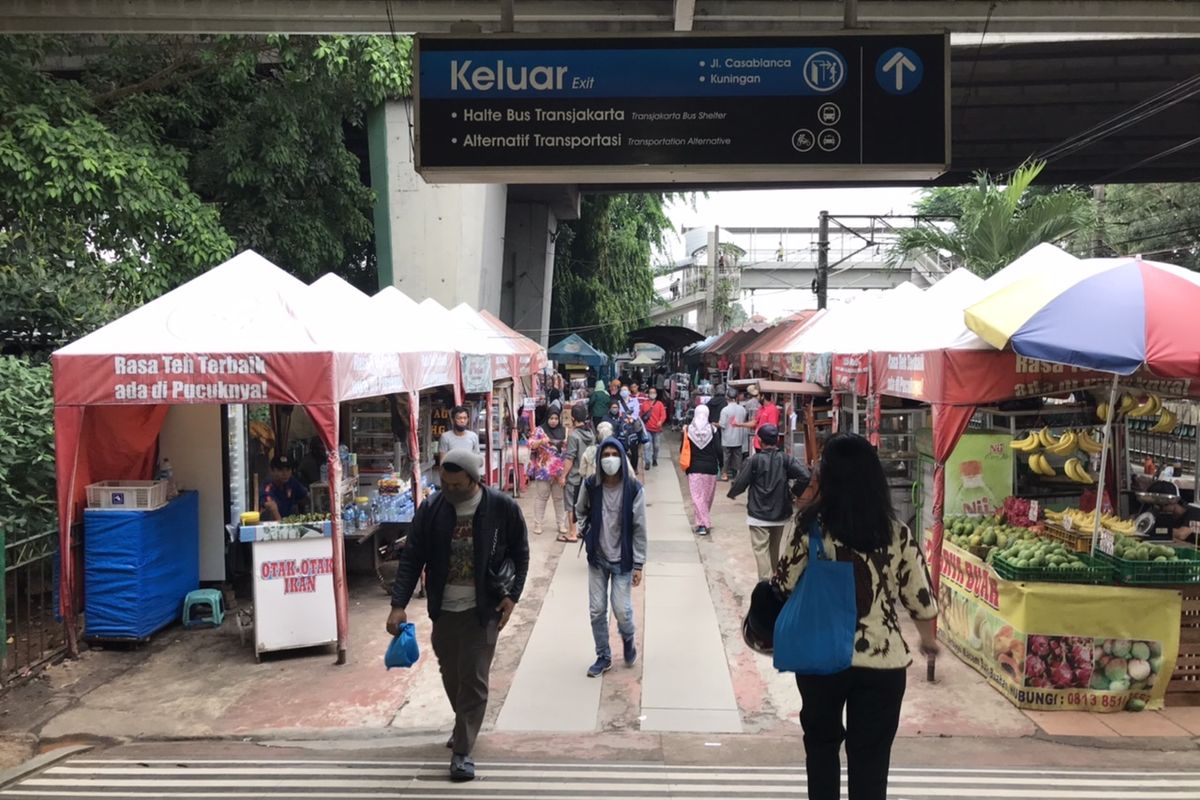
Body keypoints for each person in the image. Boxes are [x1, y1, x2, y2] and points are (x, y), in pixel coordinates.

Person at [774, 433, 938, 800]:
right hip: (882, 662)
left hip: (821, 658)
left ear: (827, 479)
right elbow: (921, 598)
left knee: (820, 747)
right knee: (871, 760)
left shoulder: (808, 527)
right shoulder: (897, 534)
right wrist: (927, 640)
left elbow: (783, 584)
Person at [387, 449, 530, 783]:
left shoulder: (501, 508)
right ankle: (464, 722)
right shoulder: (432, 510)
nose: (448, 489)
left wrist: (512, 597)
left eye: (455, 484)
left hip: (484, 609)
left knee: (475, 678)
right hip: (444, 610)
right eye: (444, 483)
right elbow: (412, 558)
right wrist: (398, 603)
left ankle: (462, 752)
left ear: (473, 479)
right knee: (451, 673)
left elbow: (521, 553)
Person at [575, 438, 647, 678]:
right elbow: (580, 509)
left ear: (621, 458)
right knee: (597, 610)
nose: (608, 459)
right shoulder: (591, 485)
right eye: (604, 454)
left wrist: (638, 563)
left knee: (622, 610)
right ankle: (603, 655)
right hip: (597, 558)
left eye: (613, 454)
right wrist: (587, 531)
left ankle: (628, 638)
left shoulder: (633, 489)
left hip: (623, 560)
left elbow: (640, 528)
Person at [727, 424, 810, 580]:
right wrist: (793, 493)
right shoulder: (786, 459)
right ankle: (776, 580)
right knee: (774, 549)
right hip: (780, 513)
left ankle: (765, 583)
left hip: (758, 514)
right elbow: (805, 475)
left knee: (760, 549)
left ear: (759, 440)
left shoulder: (754, 461)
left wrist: (733, 493)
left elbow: (741, 482)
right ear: (777, 440)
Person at [526, 407, 568, 537]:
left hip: (559, 472)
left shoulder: (564, 431)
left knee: (559, 499)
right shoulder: (540, 430)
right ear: (547, 418)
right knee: (541, 498)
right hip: (543, 471)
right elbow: (530, 443)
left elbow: (568, 451)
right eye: (551, 418)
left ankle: (561, 523)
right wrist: (540, 441)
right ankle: (538, 524)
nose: (554, 421)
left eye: (556, 418)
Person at [560, 403, 596, 543]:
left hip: (574, 476)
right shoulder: (591, 433)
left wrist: (563, 475)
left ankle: (572, 533)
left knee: (571, 505)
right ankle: (583, 530)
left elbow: (570, 458)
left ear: (573, 417)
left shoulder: (574, 436)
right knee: (585, 504)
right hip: (587, 475)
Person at [684, 405, 722, 536]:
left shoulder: (688, 430)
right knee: (705, 497)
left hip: (694, 468)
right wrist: (721, 465)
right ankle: (703, 523)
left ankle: (701, 522)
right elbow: (718, 449)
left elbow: (683, 449)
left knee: (698, 497)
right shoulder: (713, 430)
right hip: (711, 469)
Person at [260, 455, 309, 521]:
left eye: (288, 469)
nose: (285, 473)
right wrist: (281, 526)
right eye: (280, 470)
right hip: (273, 525)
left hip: (289, 521)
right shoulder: (268, 485)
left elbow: (305, 496)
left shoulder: (291, 481)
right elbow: (271, 505)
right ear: (271, 471)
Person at [718, 389, 748, 481]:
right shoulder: (742, 409)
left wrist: (715, 424)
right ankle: (738, 474)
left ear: (727, 397)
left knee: (726, 457)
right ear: (736, 397)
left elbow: (722, 424)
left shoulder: (725, 410)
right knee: (738, 457)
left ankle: (724, 474)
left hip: (727, 438)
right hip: (738, 437)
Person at [641, 387, 668, 468]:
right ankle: (647, 462)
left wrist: (660, 421)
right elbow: (641, 415)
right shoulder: (644, 404)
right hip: (647, 429)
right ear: (648, 394)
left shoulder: (660, 404)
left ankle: (655, 458)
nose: (652, 394)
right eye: (651, 392)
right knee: (647, 445)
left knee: (656, 446)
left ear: (656, 394)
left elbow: (663, 415)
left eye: (654, 392)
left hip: (657, 429)